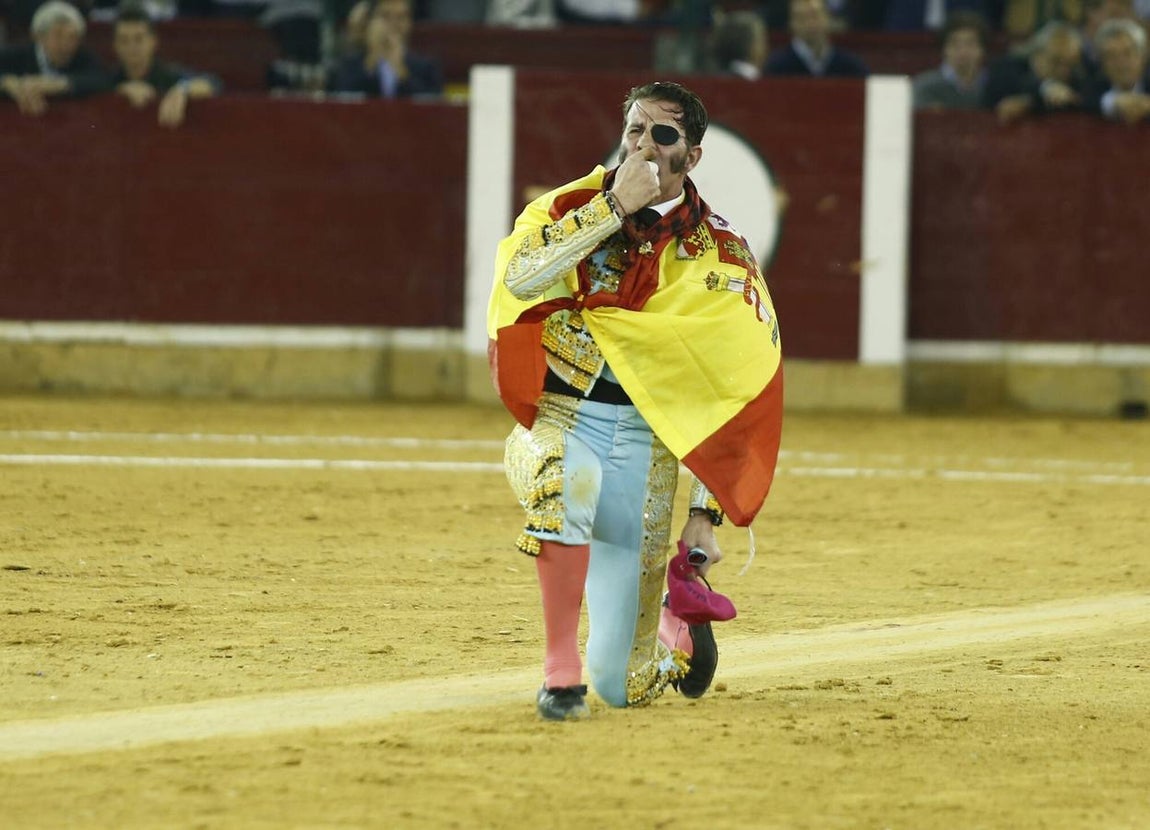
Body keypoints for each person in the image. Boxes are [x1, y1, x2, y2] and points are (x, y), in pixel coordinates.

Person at [487, 81, 784, 721]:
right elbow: (519, 276)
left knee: (622, 684)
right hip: (561, 418)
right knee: (561, 479)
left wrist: (706, 511)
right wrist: (611, 211)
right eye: (633, 131)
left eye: (663, 135)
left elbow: (732, 386)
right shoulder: (572, 208)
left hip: (646, 451)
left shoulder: (722, 255)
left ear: (693, 157)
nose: (643, 145)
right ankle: (558, 675)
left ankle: (675, 622)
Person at [107, 7, 220, 127]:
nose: (131, 47)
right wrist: (120, 89)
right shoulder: (108, 78)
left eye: (138, 39)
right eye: (124, 40)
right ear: (115, 45)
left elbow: (213, 83)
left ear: (153, 41)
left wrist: (182, 90)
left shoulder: (168, 74)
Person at [0, 0, 107, 116]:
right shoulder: (17, 54)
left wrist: (58, 84)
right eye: (58, 35)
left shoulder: (84, 56)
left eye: (72, 37)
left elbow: (103, 80)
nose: (66, 44)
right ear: (39, 36)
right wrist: (7, 83)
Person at [327, 0, 442, 98]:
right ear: (370, 22)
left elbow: (431, 108)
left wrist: (402, 72)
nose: (394, 23)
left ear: (410, 23)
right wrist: (371, 63)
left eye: (401, 17)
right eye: (385, 16)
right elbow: (343, 102)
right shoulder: (347, 66)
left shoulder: (426, 68)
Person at [981, 20, 1085, 120]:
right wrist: (1045, 88)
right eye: (1056, 62)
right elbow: (1019, 85)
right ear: (1037, 56)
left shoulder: (1077, 75)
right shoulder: (1006, 68)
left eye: (1070, 64)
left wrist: (1028, 103)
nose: (1064, 71)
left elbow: (1085, 100)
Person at [765, 0, 869, 77]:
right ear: (791, 23)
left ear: (828, 18)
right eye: (802, 17)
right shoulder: (776, 68)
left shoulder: (851, 67)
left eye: (815, 15)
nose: (810, 23)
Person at [913, 11, 991, 108]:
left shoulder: (995, 85)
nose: (963, 52)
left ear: (983, 50)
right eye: (954, 44)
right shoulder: (925, 85)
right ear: (944, 50)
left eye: (970, 44)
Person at [1085, 16, 1150, 121]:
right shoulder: (1091, 86)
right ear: (1102, 63)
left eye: (1127, 53)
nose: (1121, 62)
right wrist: (1112, 103)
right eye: (1111, 56)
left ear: (1142, 56)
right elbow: (1080, 100)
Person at [709, 10, 770, 79]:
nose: (766, 47)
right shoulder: (759, 84)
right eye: (761, 40)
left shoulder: (711, 81)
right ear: (753, 46)